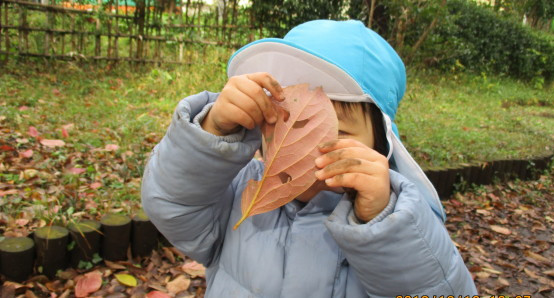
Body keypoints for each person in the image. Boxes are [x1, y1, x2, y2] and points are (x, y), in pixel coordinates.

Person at [142, 20, 478, 297]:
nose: (305, 150)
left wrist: (382, 222)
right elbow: (171, 205)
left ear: (380, 147)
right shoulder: (240, 196)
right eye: (290, 125)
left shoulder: (397, 221)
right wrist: (213, 130)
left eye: (335, 133)